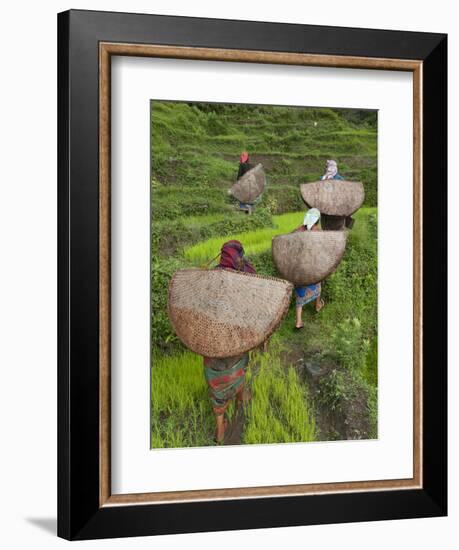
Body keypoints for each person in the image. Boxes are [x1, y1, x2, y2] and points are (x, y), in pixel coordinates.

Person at [203, 240, 254, 443]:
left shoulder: (210, 278)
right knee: (239, 367)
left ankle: (220, 427)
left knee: (216, 379)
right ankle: (241, 398)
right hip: (236, 337)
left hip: (212, 339)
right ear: (238, 255)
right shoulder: (245, 276)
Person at [293, 208, 325, 330]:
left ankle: (298, 321)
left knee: (300, 291)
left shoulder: (298, 230)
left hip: (298, 267)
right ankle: (317, 305)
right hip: (313, 266)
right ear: (317, 220)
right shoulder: (318, 232)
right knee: (318, 283)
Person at [320, 159, 354, 229]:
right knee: (325, 223)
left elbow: (344, 192)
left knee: (341, 221)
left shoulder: (340, 179)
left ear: (335, 167)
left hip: (338, 203)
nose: (328, 169)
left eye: (330, 166)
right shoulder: (323, 178)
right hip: (325, 202)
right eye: (327, 167)